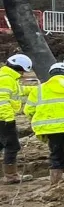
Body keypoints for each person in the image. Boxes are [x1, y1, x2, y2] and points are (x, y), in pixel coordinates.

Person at [0, 54, 34, 184]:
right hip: (4, 118)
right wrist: (8, 119)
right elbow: (1, 101)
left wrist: (39, 89)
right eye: (23, 71)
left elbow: (20, 90)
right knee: (12, 145)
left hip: (3, 117)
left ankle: (10, 174)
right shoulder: (7, 79)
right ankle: (11, 176)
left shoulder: (7, 77)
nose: (23, 74)